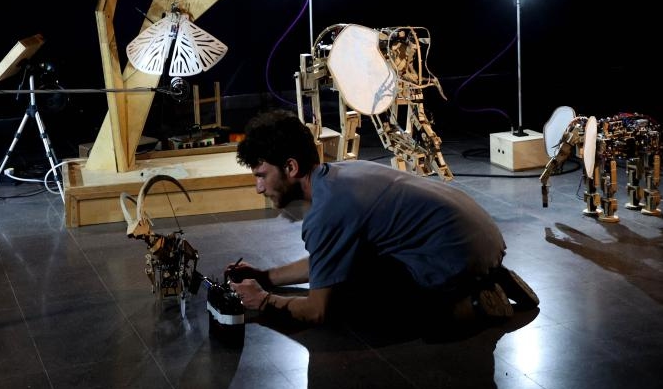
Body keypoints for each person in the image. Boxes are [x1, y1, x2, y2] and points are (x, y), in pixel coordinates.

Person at [227, 109, 538, 329]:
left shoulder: (327, 212)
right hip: (483, 238)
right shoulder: (341, 175)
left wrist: (262, 299)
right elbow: (326, 260)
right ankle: (487, 274)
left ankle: (469, 303)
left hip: (461, 252)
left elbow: (316, 310)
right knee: (350, 262)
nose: (259, 188)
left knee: (349, 299)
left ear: (291, 168)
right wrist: (266, 276)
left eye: (261, 175)